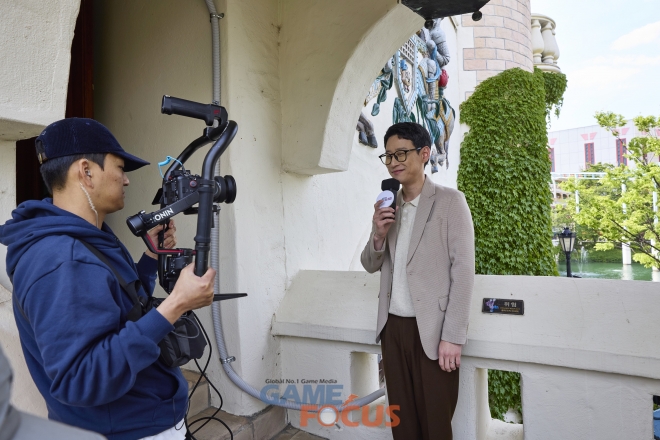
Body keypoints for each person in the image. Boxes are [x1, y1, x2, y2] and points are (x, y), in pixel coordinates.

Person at [0, 118, 216, 440]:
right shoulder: (62, 259)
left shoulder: (89, 237)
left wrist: (150, 258)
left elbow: (123, 308)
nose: (126, 180)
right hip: (127, 431)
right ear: (86, 171)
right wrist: (175, 305)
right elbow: (81, 379)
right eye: (120, 168)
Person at [361, 122, 474, 439]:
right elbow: (369, 264)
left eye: (401, 153)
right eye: (388, 155)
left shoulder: (451, 202)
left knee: (436, 423)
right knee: (402, 425)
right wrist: (378, 235)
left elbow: (463, 271)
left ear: (424, 154)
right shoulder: (387, 206)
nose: (393, 162)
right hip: (392, 328)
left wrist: (453, 336)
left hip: (433, 332)